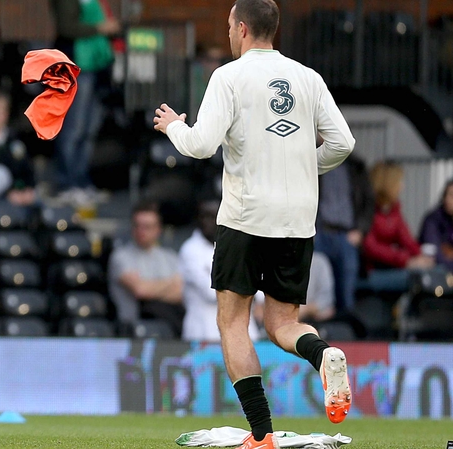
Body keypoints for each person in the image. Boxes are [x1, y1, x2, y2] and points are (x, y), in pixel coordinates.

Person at [152, 1, 356, 447]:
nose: (228, 33)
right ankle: (324, 354)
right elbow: (343, 142)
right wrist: (305, 165)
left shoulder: (228, 76)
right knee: (284, 325)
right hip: (298, 220)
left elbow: (202, 145)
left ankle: (261, 435)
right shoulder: (308, 77)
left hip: (246, 218)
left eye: (228, 25)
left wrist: (172, 127)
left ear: (242, 28)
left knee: (233, 323)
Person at [49, 0, 120, 202]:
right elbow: (66, 27)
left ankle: (81, 180)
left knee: (89, 129)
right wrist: (100, 27)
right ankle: (66, 182)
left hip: (98, 66)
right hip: (76, 65)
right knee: (74, 127)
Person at [178, 199, 262, 342]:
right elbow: (211, 292)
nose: (209, 222)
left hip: (244, 330)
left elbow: (260, 292)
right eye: (204, 216)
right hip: (202, 332)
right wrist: (244, 287)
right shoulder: (190, 249)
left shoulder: (236, 246)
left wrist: (242, 287)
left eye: (214, 216)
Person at [108, 201, 184, 337]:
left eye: (147, 227)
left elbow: (181, 293)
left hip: (168, 327)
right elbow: (140, 290)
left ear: (158, 229)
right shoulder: (120, 256)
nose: (141, 231)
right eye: (137, 226)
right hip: (131, 329)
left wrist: (150, 287)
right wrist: (170, 283)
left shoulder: (170, 257)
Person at [314, 153, 374, 315]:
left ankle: (346, 330)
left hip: (346, 236)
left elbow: (368, 201)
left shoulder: (355, 166)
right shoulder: (312, 160)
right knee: (314, 289)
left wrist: (360, 231)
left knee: (346, 290)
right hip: (318, 233)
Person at [362, 161, 434, 272]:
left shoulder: (393, 210)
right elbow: (370, 247)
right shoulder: (367, 210)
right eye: (399, 181)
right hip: (372, 269)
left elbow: (406, 238)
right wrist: (405, 260)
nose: (402, 186)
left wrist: (421, 256)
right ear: (388, 184)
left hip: (392, 264)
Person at [419, 179, 453, 271]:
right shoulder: (433, 219)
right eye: (446, 194)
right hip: (437, 271)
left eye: (452, 196)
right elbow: (434, 253)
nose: (447, 199)